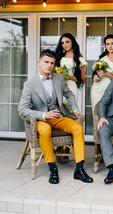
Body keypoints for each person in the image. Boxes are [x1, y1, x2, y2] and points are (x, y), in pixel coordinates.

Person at [18, 49, 93, 184]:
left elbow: (69, 94)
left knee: (77, 128)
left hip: (58, 117)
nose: (49, 65)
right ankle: (53, 168)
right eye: (46, 62)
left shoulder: (58, 78)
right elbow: (22, 109)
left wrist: (75, 110)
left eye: (52, 63)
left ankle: (79, 169)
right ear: (39, 63)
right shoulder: (30, 84)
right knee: (45, 130)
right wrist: (44, 115)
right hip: (40, 119)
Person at [91, 34, 113, 115]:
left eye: (112, 44)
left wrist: (107, 74)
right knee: (96, 115)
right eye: (107, 44)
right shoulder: (101, 59)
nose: (110, 46)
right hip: (97, 90)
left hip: (110, 91)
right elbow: (95, 73)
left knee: (107, 115)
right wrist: (95, 77)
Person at [55, 33, 87, 103]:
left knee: (71, 111)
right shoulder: (59, 58)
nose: (65, 45)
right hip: (59, 88)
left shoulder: (79, 59)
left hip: (71, 88)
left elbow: (82, 80)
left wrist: (67, 76)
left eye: (67, 42)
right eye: (62, 43)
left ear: (72, 42)